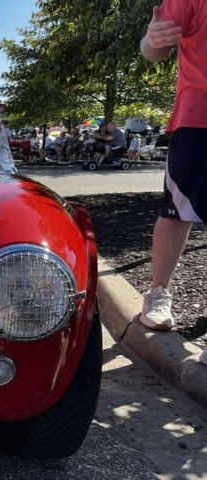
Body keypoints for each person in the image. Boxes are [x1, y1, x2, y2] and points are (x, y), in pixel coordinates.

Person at [138, 2, 207, 353]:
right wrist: (151, 39)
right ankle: (158, 293)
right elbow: (154, 49)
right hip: (199, 115)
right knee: (178, 210)